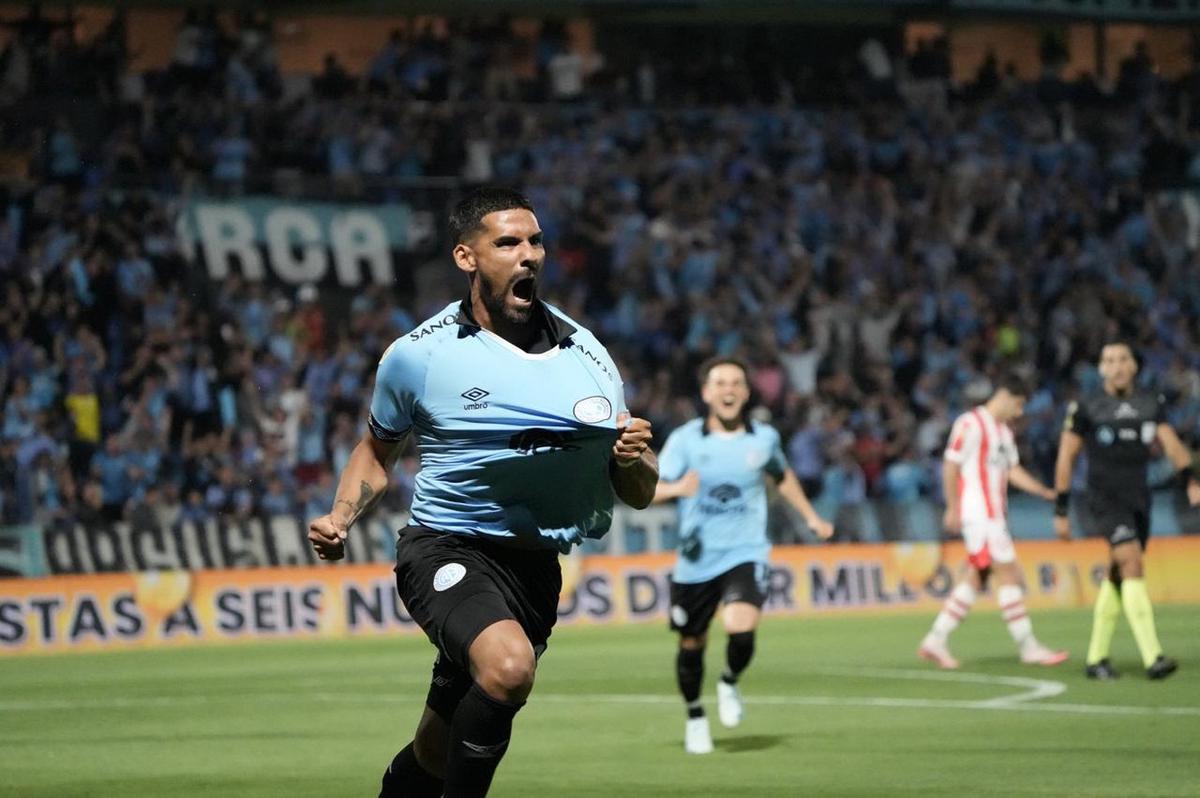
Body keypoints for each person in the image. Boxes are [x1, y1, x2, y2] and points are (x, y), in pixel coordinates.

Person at [307, 186, 658, 797]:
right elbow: (375, 451)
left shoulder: (588, 355)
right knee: (508, 666)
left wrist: (632, 459)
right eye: (508, 242)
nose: (529, 255)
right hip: (445, 547)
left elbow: (639, 490)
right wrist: (342, 514)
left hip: (534, 568)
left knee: (435, 753)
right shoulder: (418, 356)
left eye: (536, 241)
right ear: (467, 257)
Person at [651, 357, 833, 755]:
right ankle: (696, 716)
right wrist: (676, 489)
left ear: (747, 393)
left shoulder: (763, 439)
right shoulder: (686, 440)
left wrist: (812, 518)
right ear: (706, 393)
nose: (728, 389)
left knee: (741, 628)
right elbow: (648, 489)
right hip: (696, 561)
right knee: (691, 644)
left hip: (746, 551)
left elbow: (782, 476)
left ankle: (729, 681)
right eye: (720, 383)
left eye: (736, 382)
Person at [1053, 340, 1200, 680]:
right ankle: (1154, 658)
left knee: (1118, 574)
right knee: (1132, 561)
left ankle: (1096, 659)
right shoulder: (1087, 407)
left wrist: (1190, 481)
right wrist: (1061, 509)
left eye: (1122, 359)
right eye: (1108, 360)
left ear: (1134, 366)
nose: (1116, 366)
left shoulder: (1150, 403)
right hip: (1104, 500)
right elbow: (1066, 457)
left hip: (1138, 499)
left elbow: (1172, 445)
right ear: (1101, 369)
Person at [918, 374, 1068, 670]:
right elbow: (951, 464)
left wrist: (1041, 491)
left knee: (977, 578)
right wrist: (953, 507)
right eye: (1020, 404)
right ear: (1005, 396)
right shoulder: (970, 423)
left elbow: (1011, 470)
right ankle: (1028, 646)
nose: (1020, 412)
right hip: (980, 514)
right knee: (1010, 576)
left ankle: (935, 640)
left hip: (994, 515)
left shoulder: (1003, 433)